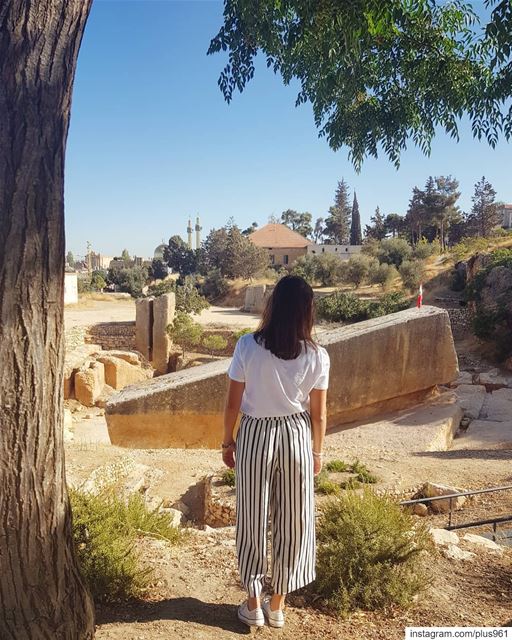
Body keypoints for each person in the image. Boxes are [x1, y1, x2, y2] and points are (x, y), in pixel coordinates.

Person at [221, 275, 330, 629]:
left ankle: (253, 603)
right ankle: (278, 605)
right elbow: (320, 414)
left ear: (273, 306)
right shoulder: (317, 355)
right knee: (294, 519)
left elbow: (232, 403)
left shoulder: (247, 346)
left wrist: (228, 440)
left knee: (251, 518)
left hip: (255, 432)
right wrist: (316, 453)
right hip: (297, 435)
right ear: (307, 311)